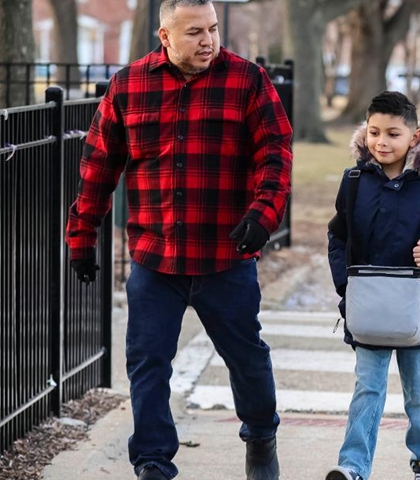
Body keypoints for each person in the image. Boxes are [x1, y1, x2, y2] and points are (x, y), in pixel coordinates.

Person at [64, 1, 292, 479]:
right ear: (164, 36)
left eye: (212, 29)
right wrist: (82, 237)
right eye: (194, 32)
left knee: (247, 358)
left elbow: (275, 154)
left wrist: (263, 214)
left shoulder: (247, 80)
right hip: (155, 256)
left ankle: (260, 437)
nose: (208, 40)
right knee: (148, 365)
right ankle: (152, 462)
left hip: (225, 255)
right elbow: (98, 167)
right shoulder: (129, 86)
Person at [325, 91, 420, 480]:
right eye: (374, 132)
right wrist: (346, 283)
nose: (382, 142)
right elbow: (337, 236)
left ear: (414, 136)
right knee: (367, 391)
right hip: (368, 304)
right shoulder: (355, 181)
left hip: (417, 306)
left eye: (393, 133)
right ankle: (353, 466)